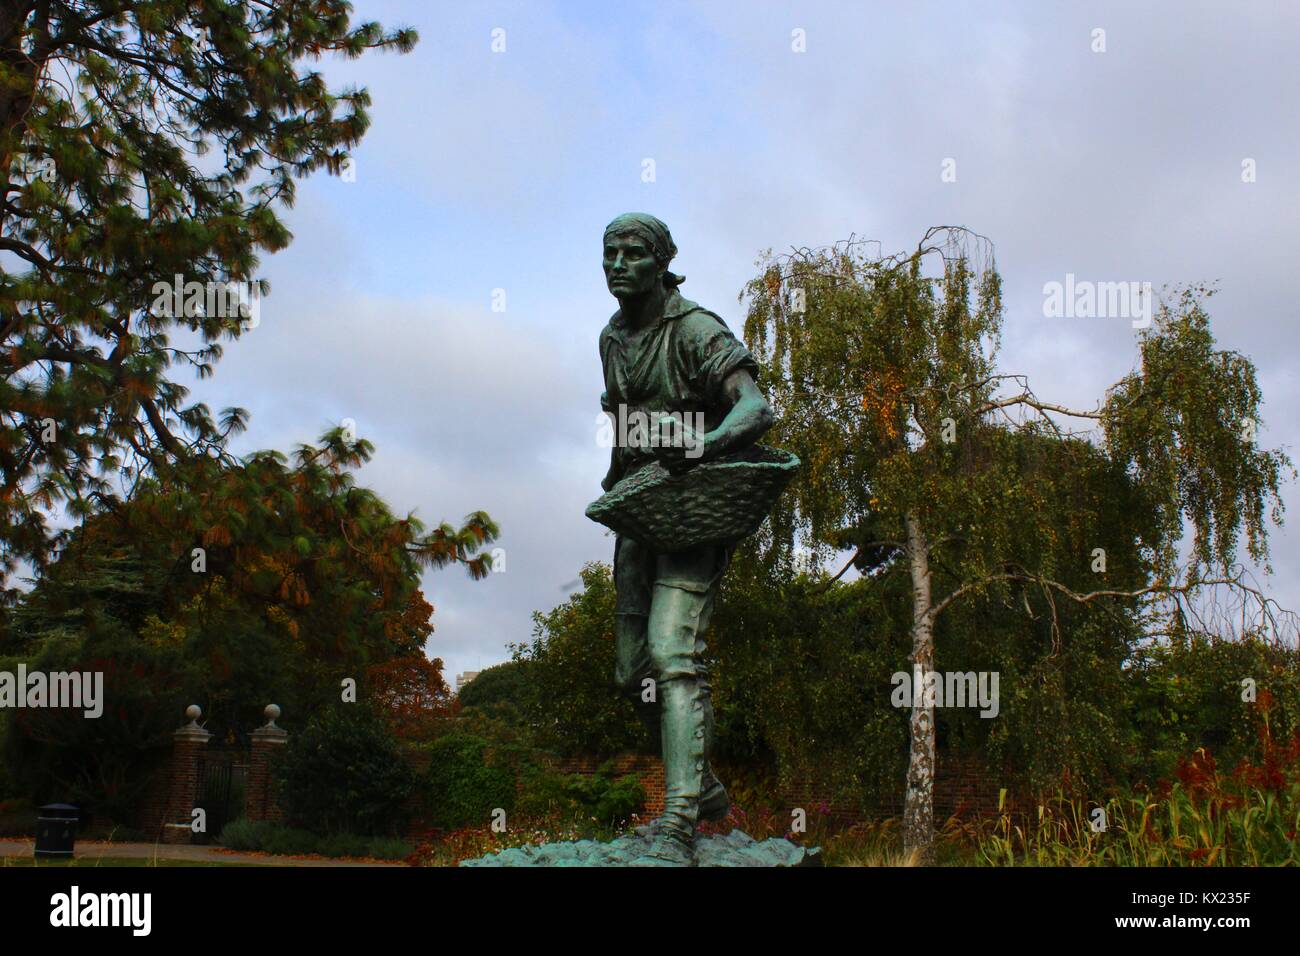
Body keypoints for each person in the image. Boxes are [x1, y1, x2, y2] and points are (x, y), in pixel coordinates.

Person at [597, 212, 774, 865]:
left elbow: (757, 409)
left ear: (662, 262)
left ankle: (676, 818)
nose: (619, 263)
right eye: (609, 252)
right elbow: (623, 427)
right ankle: (709, 795)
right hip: (639, 512)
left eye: (634, 253)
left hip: (696, 508)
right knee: (630, 671)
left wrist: (702, 446)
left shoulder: (697, 329)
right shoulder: (612, 339)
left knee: (673, 652)